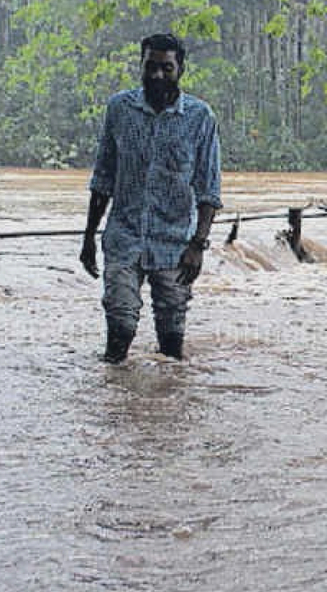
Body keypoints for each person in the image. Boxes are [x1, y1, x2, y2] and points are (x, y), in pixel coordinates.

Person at [79, 33, 222, 363]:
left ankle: (168, 406)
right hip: (124, 236)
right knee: (120, 326)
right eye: (151, 67)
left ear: (180, 69)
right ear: (141, 66)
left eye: (166, 68)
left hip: (175, 243)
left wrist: (197, 246)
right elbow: (103, 178)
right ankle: (113, 405)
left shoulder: (200, 118)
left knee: (171, 343)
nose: (158, 75)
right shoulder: (120, 109)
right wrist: (88, 237)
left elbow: (209, 190)